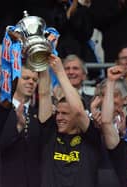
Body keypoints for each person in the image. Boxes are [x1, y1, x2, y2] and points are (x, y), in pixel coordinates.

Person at [38, 54, 102, 187]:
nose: (59, 117)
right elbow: (44, 94)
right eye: (58, 113)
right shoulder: (50, 134)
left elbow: (78, 111)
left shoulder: (91, 137)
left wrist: (61, 72)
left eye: (65, 114)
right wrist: (42, 59)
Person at [0, 66, 41, 187]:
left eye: (34, 80)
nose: (31, 82)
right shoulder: (1, 111)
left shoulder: (38, 113)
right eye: (26, 78)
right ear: (14, 80)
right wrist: (18, 127)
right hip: (6, 180)